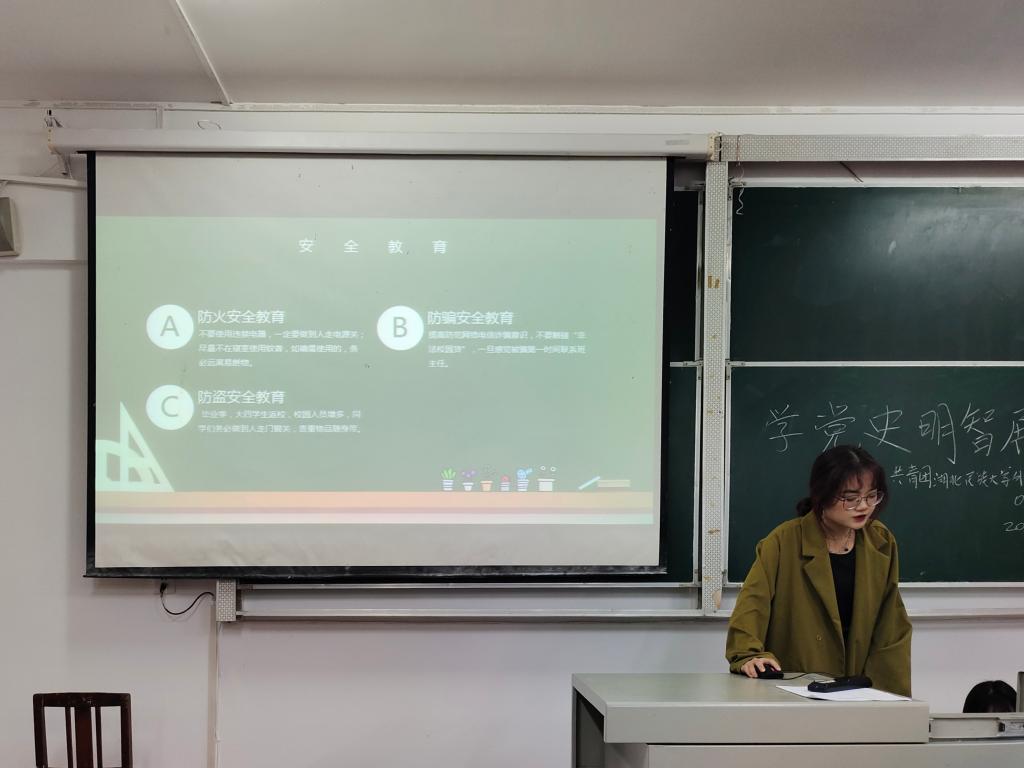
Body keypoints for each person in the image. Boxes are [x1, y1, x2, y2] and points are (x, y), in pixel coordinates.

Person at [725, 444, 913, 696]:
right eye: (851, 498)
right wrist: (748, 654)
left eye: (871, 496)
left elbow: (891, 624)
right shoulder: (783, 542)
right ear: (823, 494)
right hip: (798, 687)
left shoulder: (881, 542)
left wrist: (884, 696)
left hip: (860, 688)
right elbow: (751, 606)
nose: (864, 506)